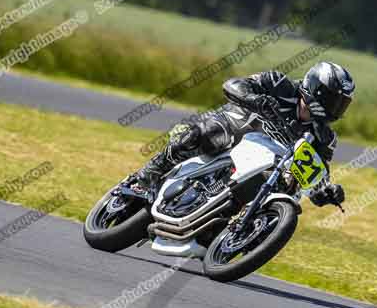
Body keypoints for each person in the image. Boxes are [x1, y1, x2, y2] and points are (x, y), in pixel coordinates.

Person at [130, 61, 355, 207]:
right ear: (315, 88)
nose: (335, 108)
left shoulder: (324, 138)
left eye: (341, 103)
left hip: (262, 165)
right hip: (233, 127)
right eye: (333, 100)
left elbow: (317, 173)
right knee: (199, 134)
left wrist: (326, 191)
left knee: (288, 188)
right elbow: (233, 84)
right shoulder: (279, 84)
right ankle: (145, 179)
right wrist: (254, 99)